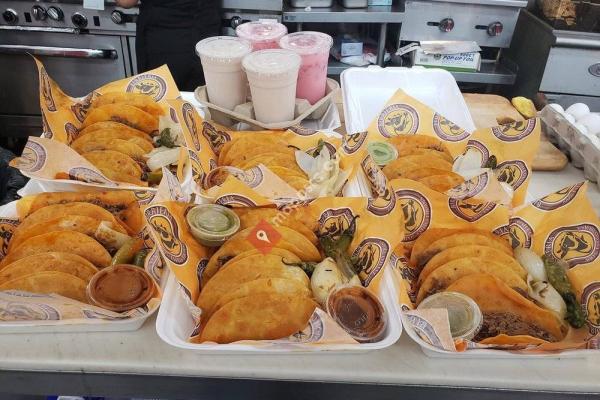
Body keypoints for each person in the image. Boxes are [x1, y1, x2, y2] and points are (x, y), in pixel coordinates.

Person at [116, 0, 221, 91]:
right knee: (203, 99)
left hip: (163, 37)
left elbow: (126, 2)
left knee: (164, 97)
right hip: (206, 36)